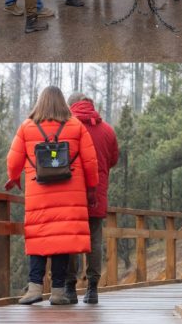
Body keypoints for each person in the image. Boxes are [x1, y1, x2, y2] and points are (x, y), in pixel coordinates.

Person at [5, 85, 99, 305]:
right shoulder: (76, 126)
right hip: (69, 195)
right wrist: (92, 187)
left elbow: (13, 161)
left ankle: (35, 288)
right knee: (62, 242)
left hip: (39, 192)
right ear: (63, 103)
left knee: (39, 238)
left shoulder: (27, 127)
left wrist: (15, 178)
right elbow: (90, 161)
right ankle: (57, 292)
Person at [62, 92, 119, 305]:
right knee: (94, 239)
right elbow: (113, 159)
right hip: (97, 194)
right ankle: (92, 289)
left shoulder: (67, 128)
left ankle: (69, 288)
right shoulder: (107, 131)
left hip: (71, 193)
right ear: (90, 105)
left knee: (71, 240)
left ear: (70, 107)